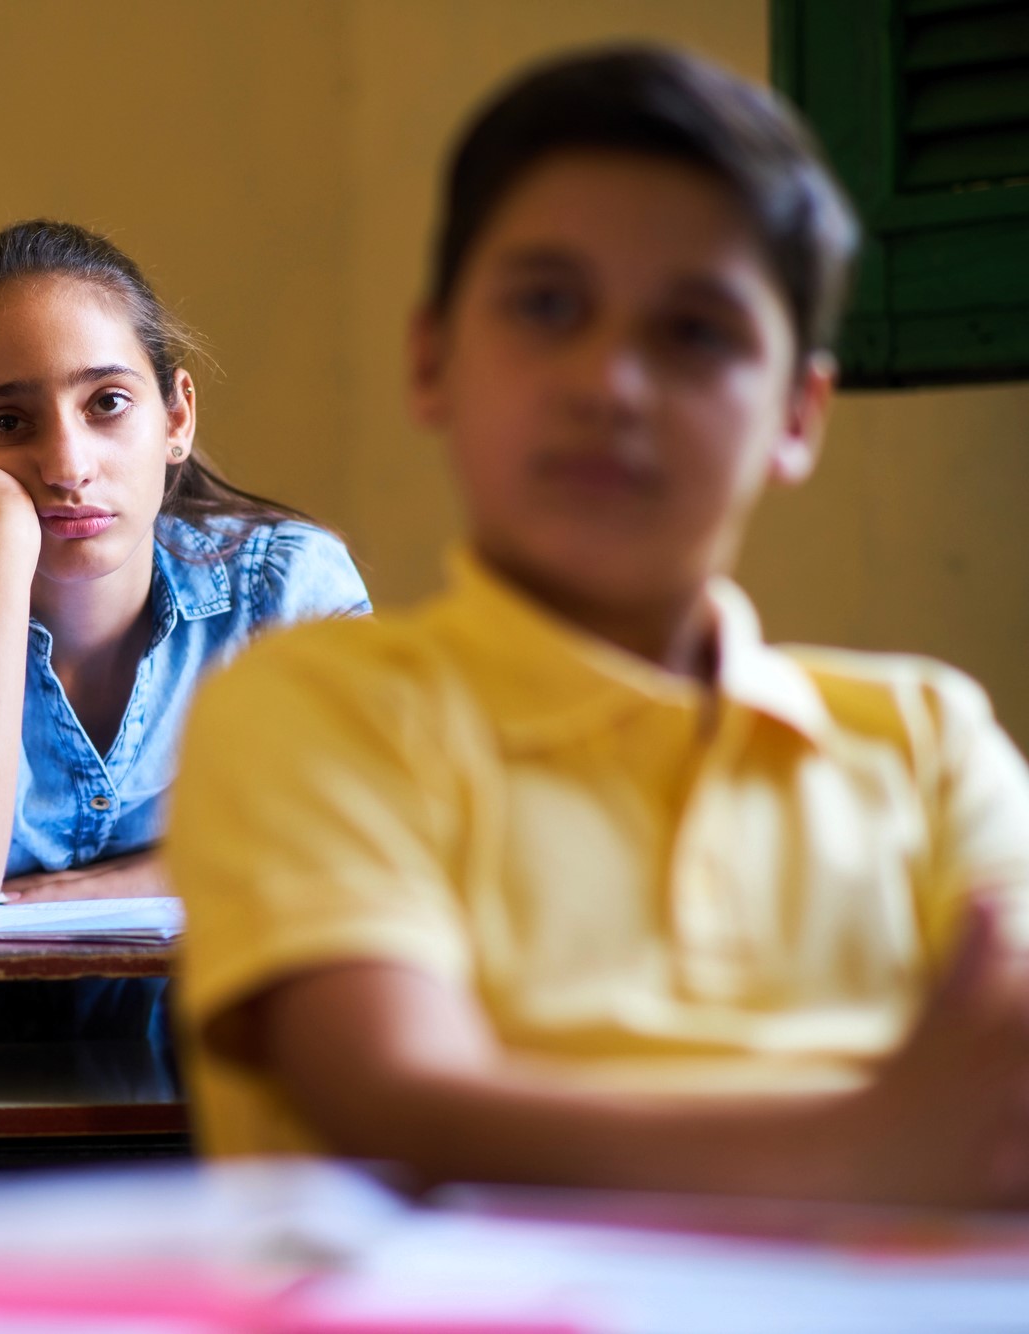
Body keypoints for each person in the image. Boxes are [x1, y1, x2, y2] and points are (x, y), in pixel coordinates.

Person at [168, 45, 1029, 1207]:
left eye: (694, 332)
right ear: (430, 359)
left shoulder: (924, 740)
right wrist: (858, 1149)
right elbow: (393, 1096)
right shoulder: (315, 708)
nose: (610, 382)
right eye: (545, 305)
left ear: (795, 414)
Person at [0, 220, 368, 1045]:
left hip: (195, 1069)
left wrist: (90, 891)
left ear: (176, 417)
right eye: (9, 422)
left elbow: (351, 846)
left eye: (107, 403)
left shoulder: (287, 587)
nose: (67, 464)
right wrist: (3, 542)